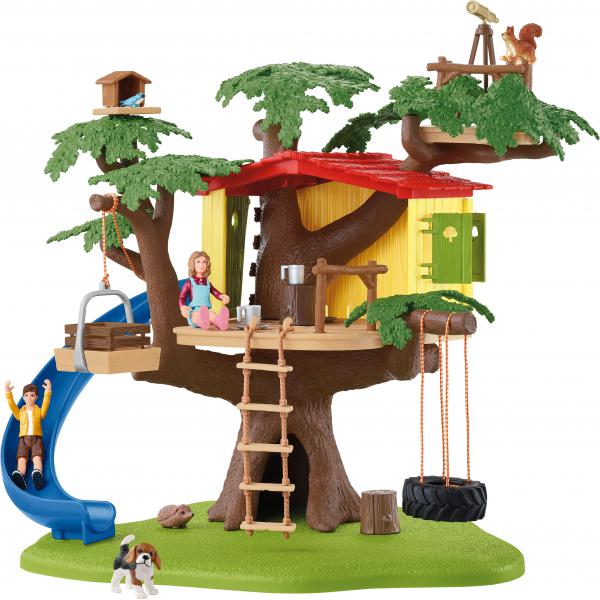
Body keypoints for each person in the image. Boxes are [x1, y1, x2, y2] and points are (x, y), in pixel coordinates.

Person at [5, 379, 52, 491]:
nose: (29, 398)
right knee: (21, 458)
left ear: (36, 397)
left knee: (37, 458)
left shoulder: (39, 411)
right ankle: (20, 475)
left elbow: (45, 406)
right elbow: (12, 406)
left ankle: (37, 474)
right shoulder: (20, 413)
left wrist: (48, 392)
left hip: (36, 439)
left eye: (32, 395)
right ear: (23, 397)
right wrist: (8, 393)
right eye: (26, 395)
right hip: (23, 440)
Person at [179, 251, 230, 330]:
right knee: (196, 315)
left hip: (206, 310)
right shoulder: (189, 282)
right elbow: (182, 297)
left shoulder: (207, 282)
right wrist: (183, 307)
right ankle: (203, 322)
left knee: (212, 314)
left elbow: (215, 292)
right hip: (193, 311)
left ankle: (221, 322)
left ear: (207, 264)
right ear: (193, 264)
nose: (201, 265)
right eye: (198, 262)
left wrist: (222, 296)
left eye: (204, 262)